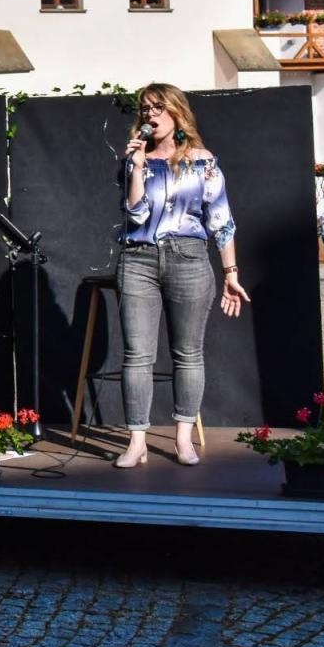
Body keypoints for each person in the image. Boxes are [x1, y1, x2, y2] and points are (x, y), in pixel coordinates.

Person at [116, 82, 249, 468]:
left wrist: (231, 272)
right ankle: (136, 441)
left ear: (176, 113)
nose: (150, 115)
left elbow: (221, 220)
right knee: (137, 354)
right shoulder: (133, 160)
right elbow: (135, 213)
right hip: (138, 257)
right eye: (145, 109)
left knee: (188, 354)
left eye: (158, 107)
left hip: (188, 257)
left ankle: (183, 439)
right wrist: (138, 167)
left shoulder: (203, 161)